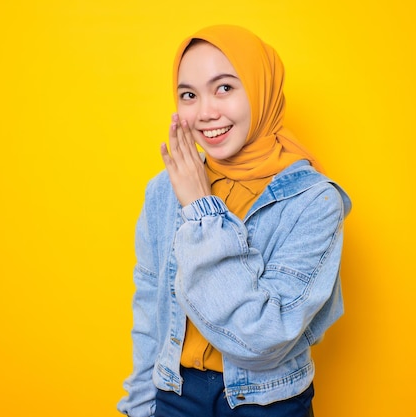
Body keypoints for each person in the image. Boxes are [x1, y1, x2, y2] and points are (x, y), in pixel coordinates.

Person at [118, 24, 351, 417]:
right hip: (175, 393)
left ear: (261, 89)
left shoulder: (314, 201)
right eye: (189, 95)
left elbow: (261, 338)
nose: (206, 112)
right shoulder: (164, 189)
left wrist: (201, 211)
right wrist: (141, 406)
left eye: (224, 87)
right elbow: (149, 306)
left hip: (269, 400)